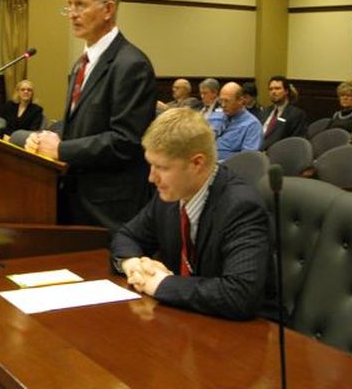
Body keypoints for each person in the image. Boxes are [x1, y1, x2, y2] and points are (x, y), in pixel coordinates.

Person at [110, 107, 271, 320]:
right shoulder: (171, 194)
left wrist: (158, 283)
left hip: (247, 334)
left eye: (162, 168)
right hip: (188, 320)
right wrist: (134, 265)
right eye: (151, 166)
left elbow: (239, 294)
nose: (151, 178)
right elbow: (127, 235)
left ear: (197, 163)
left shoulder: (241, 207)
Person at [25, 0, 156, 229]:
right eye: (69, 6)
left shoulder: (131, 64)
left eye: (80, 5)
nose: (72, 14)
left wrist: (61, 149)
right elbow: (78, 124)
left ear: (108, 9)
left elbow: (125, 141)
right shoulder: (80, 64)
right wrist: (44, 136)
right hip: (74, 195)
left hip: (108, 207)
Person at [207, 82, 262, 161]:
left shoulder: (252, 125)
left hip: (226, 168)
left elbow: (247, 159)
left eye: (227, 101)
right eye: (221, 101)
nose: (223, 105)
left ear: (240, 100)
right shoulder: (217, 117)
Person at [260, 75, 307, 151]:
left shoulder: (296, 114)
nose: (273, 92)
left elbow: (296, 142)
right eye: (271, 89)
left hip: (276, 152)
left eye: (277, 88)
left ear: (286, 91)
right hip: (256, 150)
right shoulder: (265, 111)